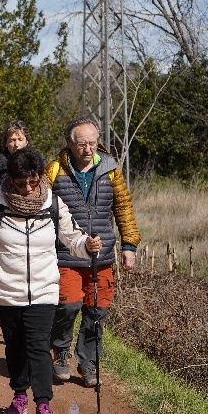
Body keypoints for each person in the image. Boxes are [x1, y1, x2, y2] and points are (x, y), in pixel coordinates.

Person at [0, 147, 102, 414]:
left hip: (44, 289)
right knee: (15, 346)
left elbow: (73, 238)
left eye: (33, 180)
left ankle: (43, 406)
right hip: (7, 289)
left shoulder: (53, 203)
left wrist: (88, 246)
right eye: (21, 183)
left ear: (40, 176)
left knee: (37, 345)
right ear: (11, 180)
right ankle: (19, 397)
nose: (29, 188)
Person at [46, 118, 141, 387]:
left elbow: (123, 207)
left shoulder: (111, 170)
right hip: (66, 253)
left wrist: (129, 245)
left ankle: (88, 363)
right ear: (69, 143)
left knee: (96, 310)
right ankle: (60, 352)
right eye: (82, 144)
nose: (88, 149)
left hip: (102, 255)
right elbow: (42, 207)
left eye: (92, 143)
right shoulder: (53, 170)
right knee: (67, 305)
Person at [0, 119, 32, 199]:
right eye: (12, 140)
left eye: (20, 139)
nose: (16, 144)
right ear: (6, 143)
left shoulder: (36, 164)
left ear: (26, 141)